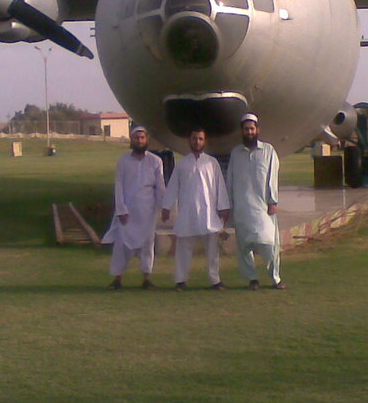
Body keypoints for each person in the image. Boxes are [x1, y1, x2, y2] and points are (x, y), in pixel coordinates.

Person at [161, 128, 230, 291]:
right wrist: (166, 207)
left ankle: (215, 280)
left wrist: (223, 207)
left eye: (200, 139)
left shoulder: (211, 163)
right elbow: (173, 187)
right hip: (187, 213)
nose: (197, 142)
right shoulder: (182, 164)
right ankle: (180, 280)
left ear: (204, 141)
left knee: (212, 250)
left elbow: (220, 186)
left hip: (208, 214)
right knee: (183, 249)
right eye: (194, 139)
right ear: (189, 141)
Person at [102, 126, 165, 290]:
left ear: (147, 139)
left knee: (147, 245)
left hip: (147, 211)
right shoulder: (123, 161)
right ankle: (117, 279)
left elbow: (160, 187)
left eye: (142, 138)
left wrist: (164, 208)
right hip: (127, 212)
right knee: (121, 244)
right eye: (137, 138)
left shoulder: (155, 161)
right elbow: (119, 186)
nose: (140, 141)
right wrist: (121, 210)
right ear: (132, 140)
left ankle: (146, 278)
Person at [227, 113, 284, 290]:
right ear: (242, 131)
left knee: (269, 244)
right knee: (244, 247)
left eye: (252, 128)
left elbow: (272, 177)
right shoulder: (236, 153)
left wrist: (273, 200)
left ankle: (275, 278)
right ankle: (252, 279)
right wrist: (229, 204)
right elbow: (230, 179)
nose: (249, 132)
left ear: (257, 130)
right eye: (246, 129)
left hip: (263, 207)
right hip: (242, 207)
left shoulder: (268, 151)